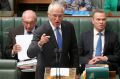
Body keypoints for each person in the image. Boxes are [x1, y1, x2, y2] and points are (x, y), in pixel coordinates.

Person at [27, 1, 79, 79]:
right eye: (54, 16)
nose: (57, 19)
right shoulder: (41, 30)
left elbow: (74, 52)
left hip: (64, 72)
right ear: (48, 15)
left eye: (60, 16)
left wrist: (76, 71)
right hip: (46, 73)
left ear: (63, 15)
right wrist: (40, 43)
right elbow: (30, 53)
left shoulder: (69, 27)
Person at [5, 10, 37, 79]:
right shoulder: (13, 32)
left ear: (35, 21)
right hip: (20, 66)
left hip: (37, 65)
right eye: (26, 23)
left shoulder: (42, 31)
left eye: (31, 23)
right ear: (22, 21)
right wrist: (13, 51)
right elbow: (6, 52)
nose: (28, 26)